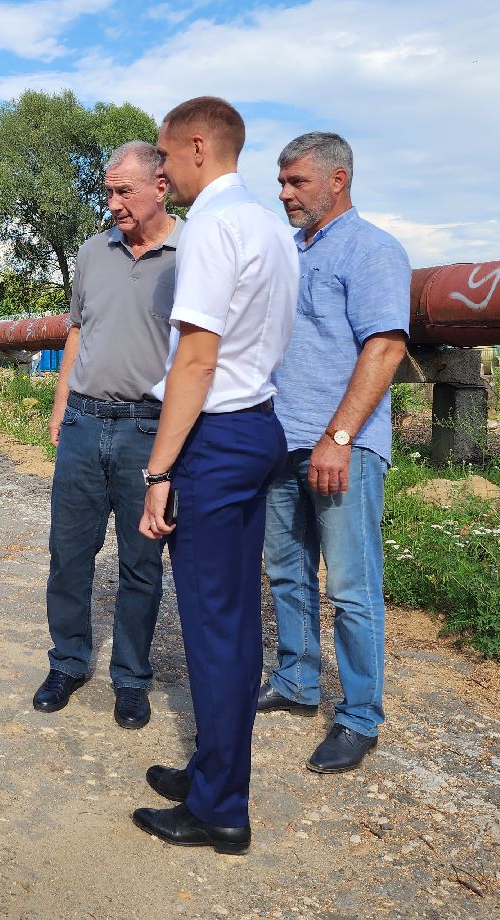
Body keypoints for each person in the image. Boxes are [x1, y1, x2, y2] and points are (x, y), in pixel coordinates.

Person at [133, 97, 298, 854]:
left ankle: (221, 809)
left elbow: (196, 360)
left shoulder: (210, 230)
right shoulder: (270, 223)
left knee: (213, 628)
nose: (160, 170)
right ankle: (212, 770)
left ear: (198, 146)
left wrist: (160, 470)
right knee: (231, 619)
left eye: (164, 157)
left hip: (213, 437)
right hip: (258, 422)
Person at [260, 132, 410, 773]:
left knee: (350, 586)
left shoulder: (374, 251)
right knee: (287, 573)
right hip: (282, 439)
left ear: (338, 180)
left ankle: (359, 716)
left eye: (296, 182)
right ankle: (296, 680)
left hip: (342, 447)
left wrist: (339, 437)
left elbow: (385, 349)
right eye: (282, 182)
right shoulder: (292, 253)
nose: (284, 194)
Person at [34, 140, 181, 730]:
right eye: (110, 191)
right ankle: (67, 661)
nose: (114, 202)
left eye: (125, 191)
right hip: (84, 421)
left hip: (149, 428)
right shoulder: (93, 252)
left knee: (142, 562)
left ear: (160, 186)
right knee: (69, 554)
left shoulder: (190, 252)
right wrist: (60, 403)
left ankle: (130, 678)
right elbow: (76, 332)